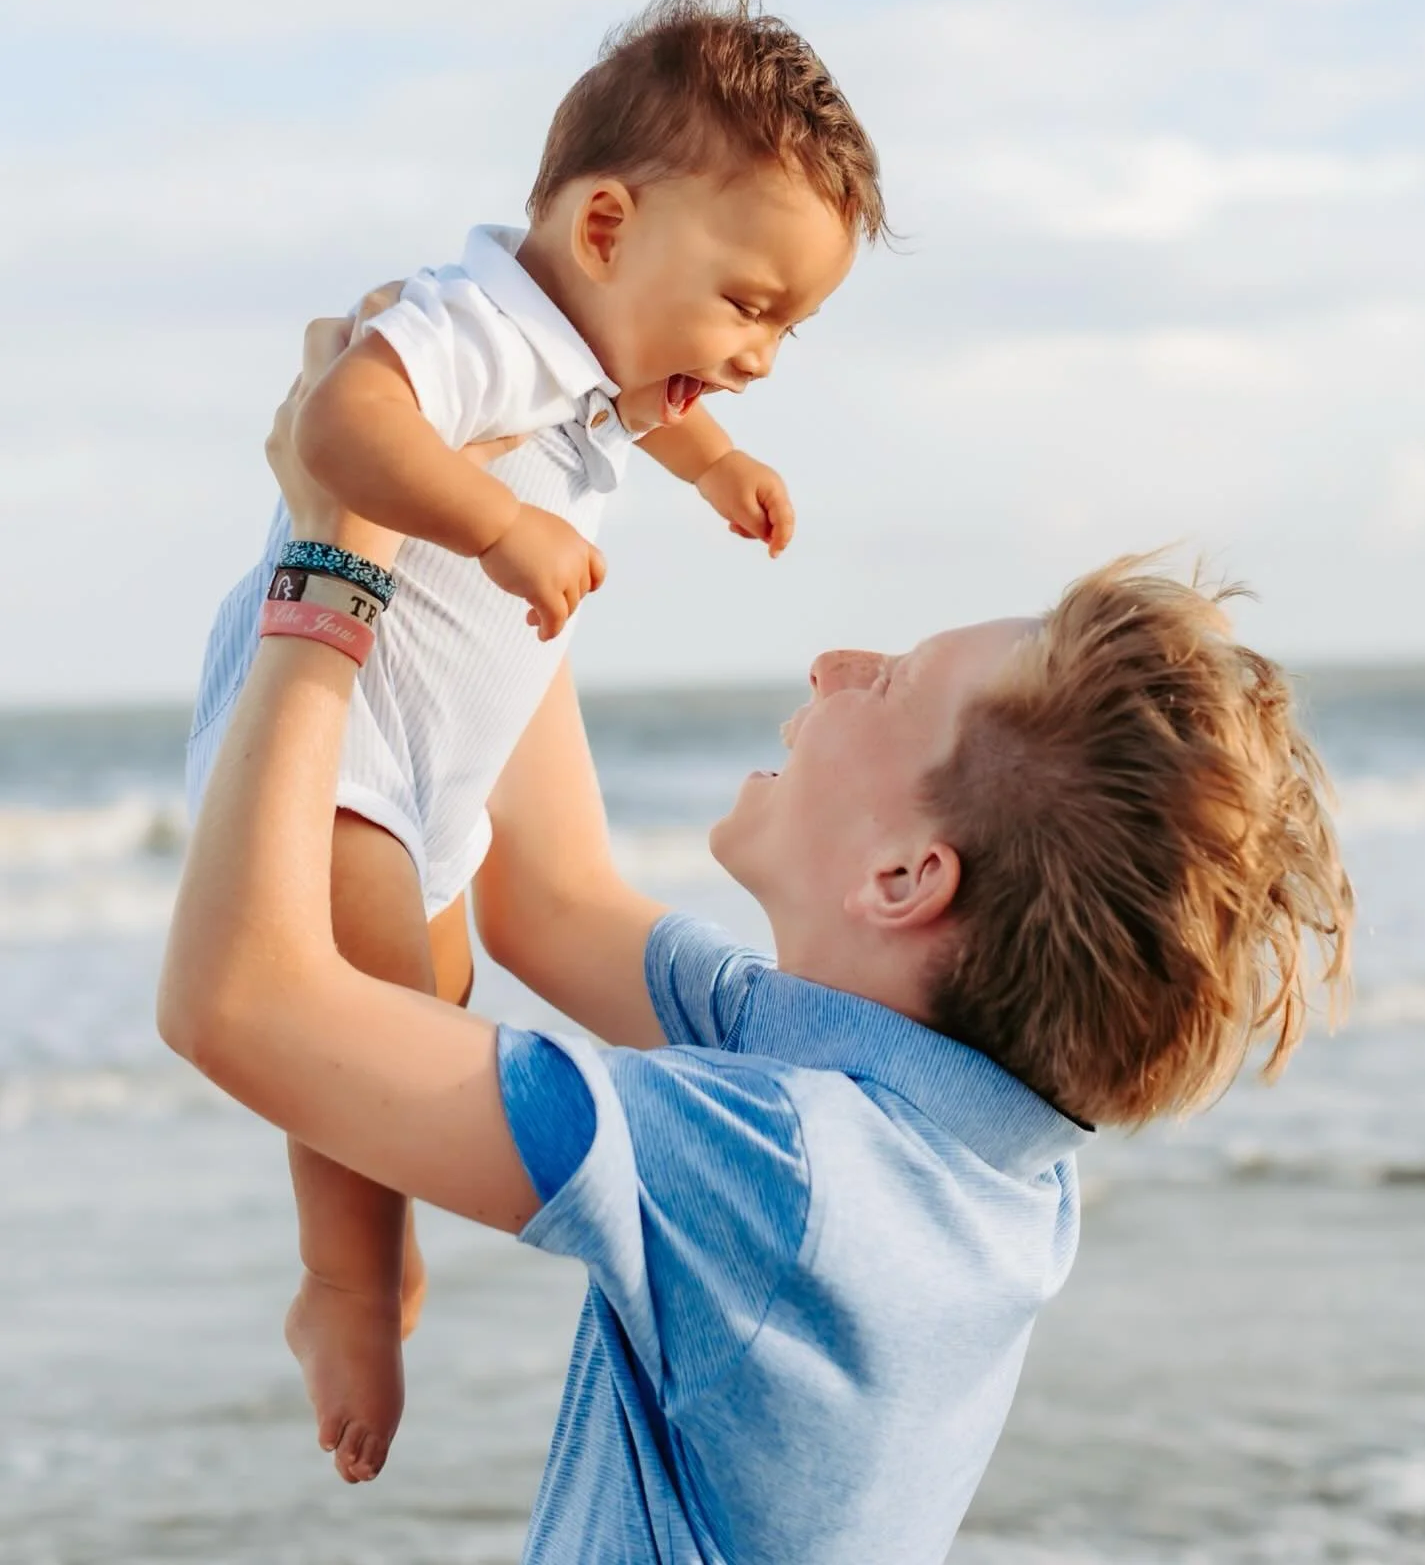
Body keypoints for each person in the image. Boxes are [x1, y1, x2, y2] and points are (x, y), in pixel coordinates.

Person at [159, 316, 1353, 1562]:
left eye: (888, 683)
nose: (835, 664)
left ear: (905, 876)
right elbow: (552, 900)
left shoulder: (792, 1182)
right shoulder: (956, 1128)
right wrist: (494, 496)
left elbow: (236, 1004)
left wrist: (333, 546)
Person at [182, 0, 882, 1481]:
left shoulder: (605, 341)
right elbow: (338, 426)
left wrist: (711, 466)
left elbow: (647, 405)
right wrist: (498, 525)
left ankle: (375, 1250)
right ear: (607, 229)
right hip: (342, 722)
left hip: (439, 750)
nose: (757, 351)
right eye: (750, 303)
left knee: (429, 990)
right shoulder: (477, 323)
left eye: (789, 327)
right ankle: (350, 1284)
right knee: (358, 1002)